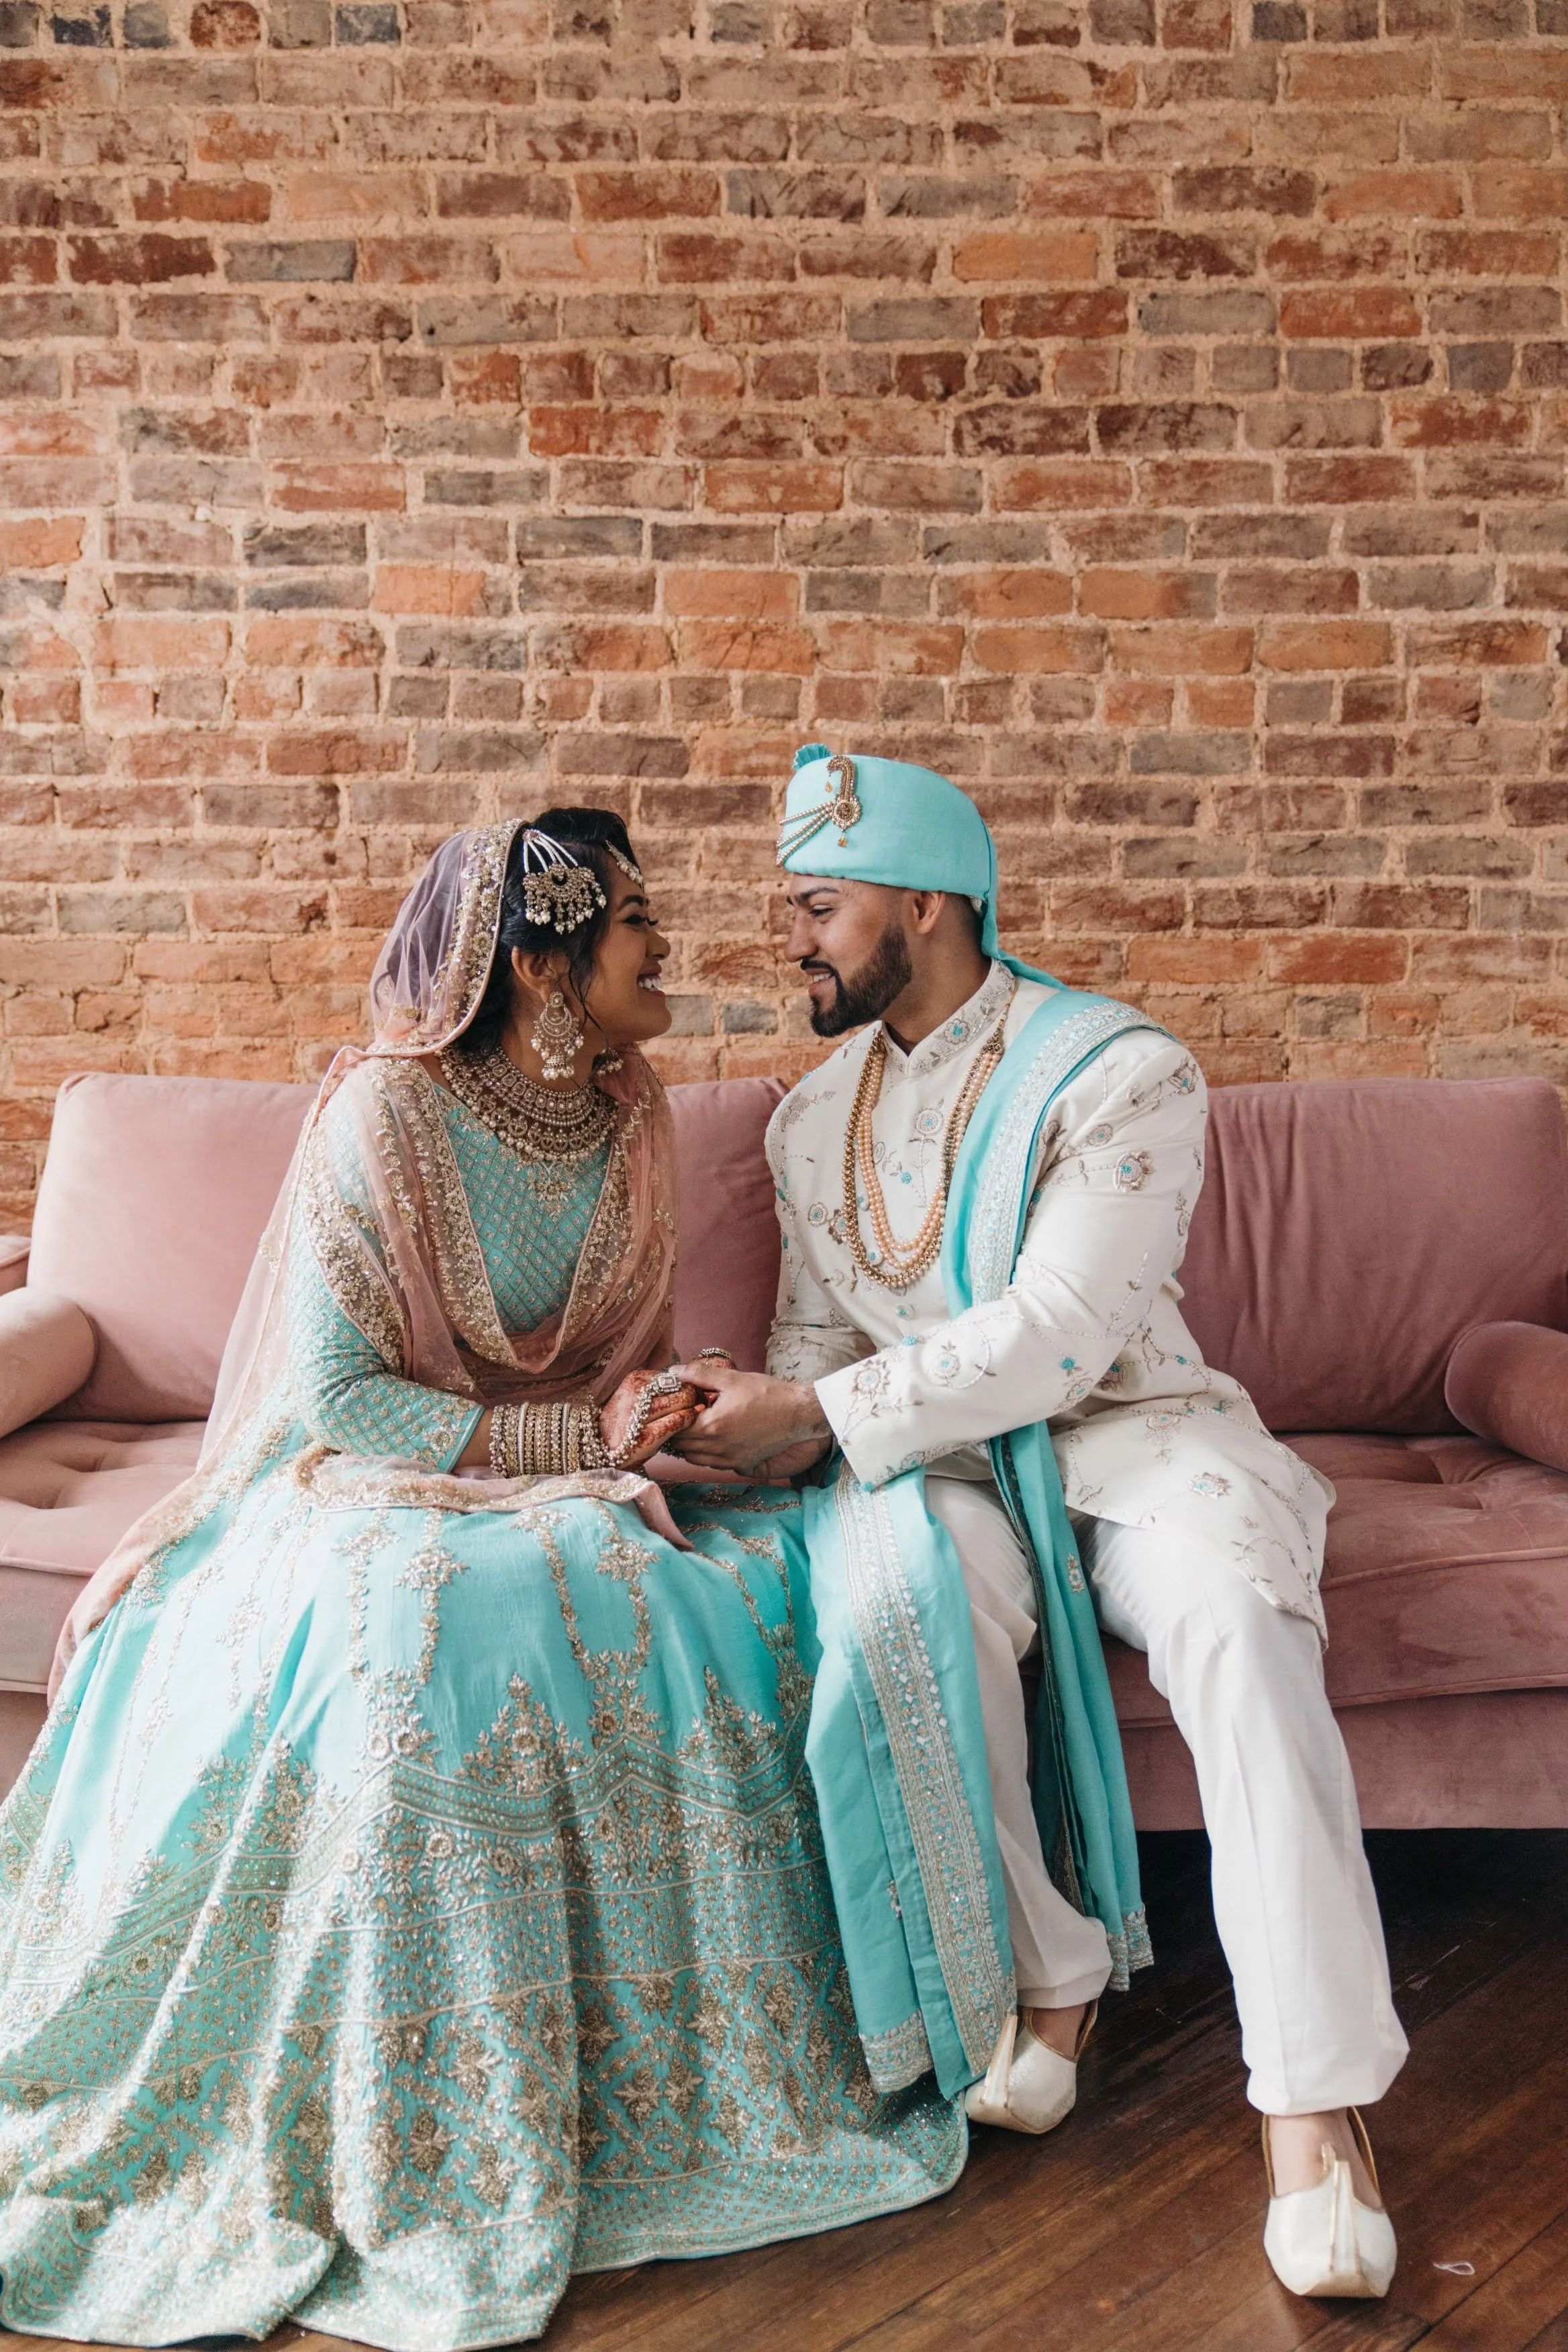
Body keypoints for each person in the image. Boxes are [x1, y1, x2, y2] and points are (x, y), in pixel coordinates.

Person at [0, 812, 964, 2349]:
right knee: (442, 1623)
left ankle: (652, 2075)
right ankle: (419, 2124)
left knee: (698, 1598)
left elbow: (617, 1358)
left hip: (572, 1481)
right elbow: (336, 1405)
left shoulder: (633, 1103)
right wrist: (577, 1441)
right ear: (538, 959)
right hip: (362, 1485)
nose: (670, 947)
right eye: (638, 921)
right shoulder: (388, 1117)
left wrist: (652, 1420)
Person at [670, 748, 1408, 2302]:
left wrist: (819, 1415)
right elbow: (815, 1345)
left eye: (817, 905)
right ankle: (1052, 1981)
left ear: (925, 903)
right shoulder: (808, 1122)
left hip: (1128, 1436)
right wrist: (737, 1419)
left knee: (1237, 1622)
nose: (789, 936)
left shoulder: (1116, 1069)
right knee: (896, 1606)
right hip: (933, 1461)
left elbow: (1069, 1329)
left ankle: (1315, 2109)